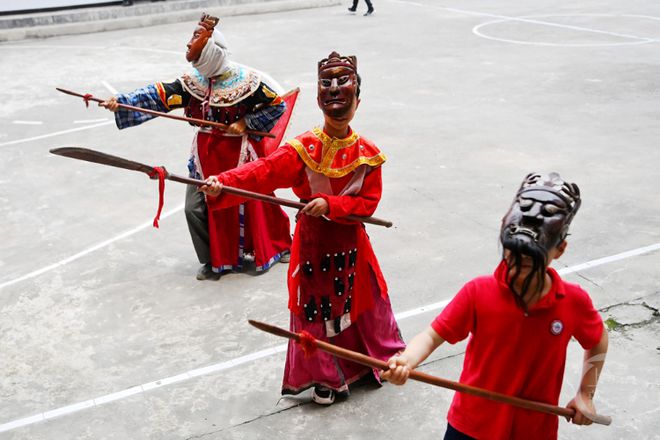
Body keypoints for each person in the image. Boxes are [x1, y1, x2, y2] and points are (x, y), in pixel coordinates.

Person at [200, 51, 405, 404]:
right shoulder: (303, 148)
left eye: (345, 85)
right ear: (318, 99)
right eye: (328, 85)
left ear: (358, 100)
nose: (336, 91)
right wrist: (223, 181)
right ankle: (324, 375)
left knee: (363, 303)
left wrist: (332, 204)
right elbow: (262, 172)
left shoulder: (369, 154)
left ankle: (374, 360)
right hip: (314, 249)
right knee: (316, 311)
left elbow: (367, 205)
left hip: (353, 245)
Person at [382, 172, 608, 439]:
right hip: (470, 426)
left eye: (530, 260)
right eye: (511, 254)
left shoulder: (573, 301)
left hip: (533, 431)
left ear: (560, 250)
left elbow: (598, 340)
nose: (517, 267)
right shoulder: (479, 291)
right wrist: (406, 360)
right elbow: (432, 336)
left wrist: (585, 393)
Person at [102, 13, 293, 280]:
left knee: (254, 206)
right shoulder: (193, 83)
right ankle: (213, 259)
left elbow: (277, 106)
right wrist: (122, 102)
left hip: (238, 154)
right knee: (195, 207)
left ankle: (277, 245)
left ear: (213, 56)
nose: (195, 65)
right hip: (205, 156)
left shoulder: (247, 82)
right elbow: (160, 95)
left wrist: (245, 120)